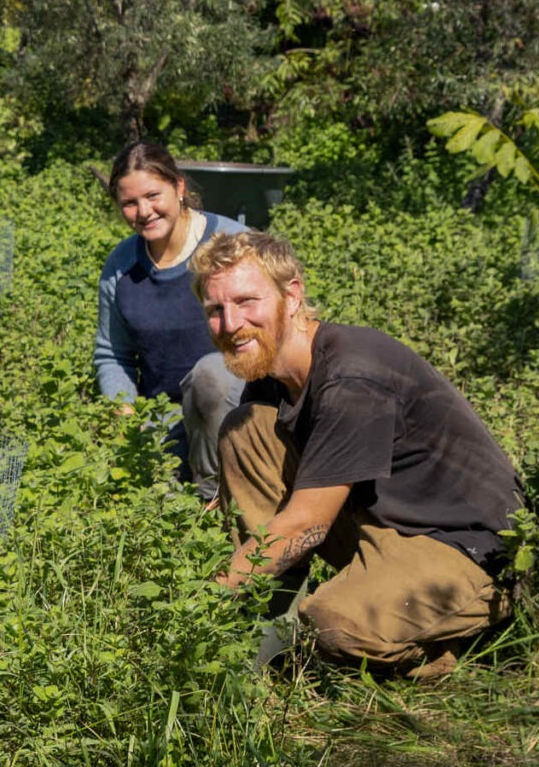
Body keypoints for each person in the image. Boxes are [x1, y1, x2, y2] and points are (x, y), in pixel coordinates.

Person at [193, 229, 520, 676]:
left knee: (333, 625)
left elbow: (307, 523)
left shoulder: (351, 379)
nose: (231, 324)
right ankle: (271, 615)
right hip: (387, 519)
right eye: (216, 309)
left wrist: (199, 605)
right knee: (246, 429)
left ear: (291, 296)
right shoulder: (272, 365)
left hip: (465, 548)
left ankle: (456, 657)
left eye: (247, 301)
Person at [93, 140, 245, 500]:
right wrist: (127, 417)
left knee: (212, 375)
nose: (143, 211)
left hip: (238, 410)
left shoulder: (231, 246)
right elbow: (113, 354)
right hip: (166, 415)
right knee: (154, 505)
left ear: (179, 188)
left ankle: (216, 498)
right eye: (129, 203)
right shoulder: (121, 266)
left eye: (152, 195)